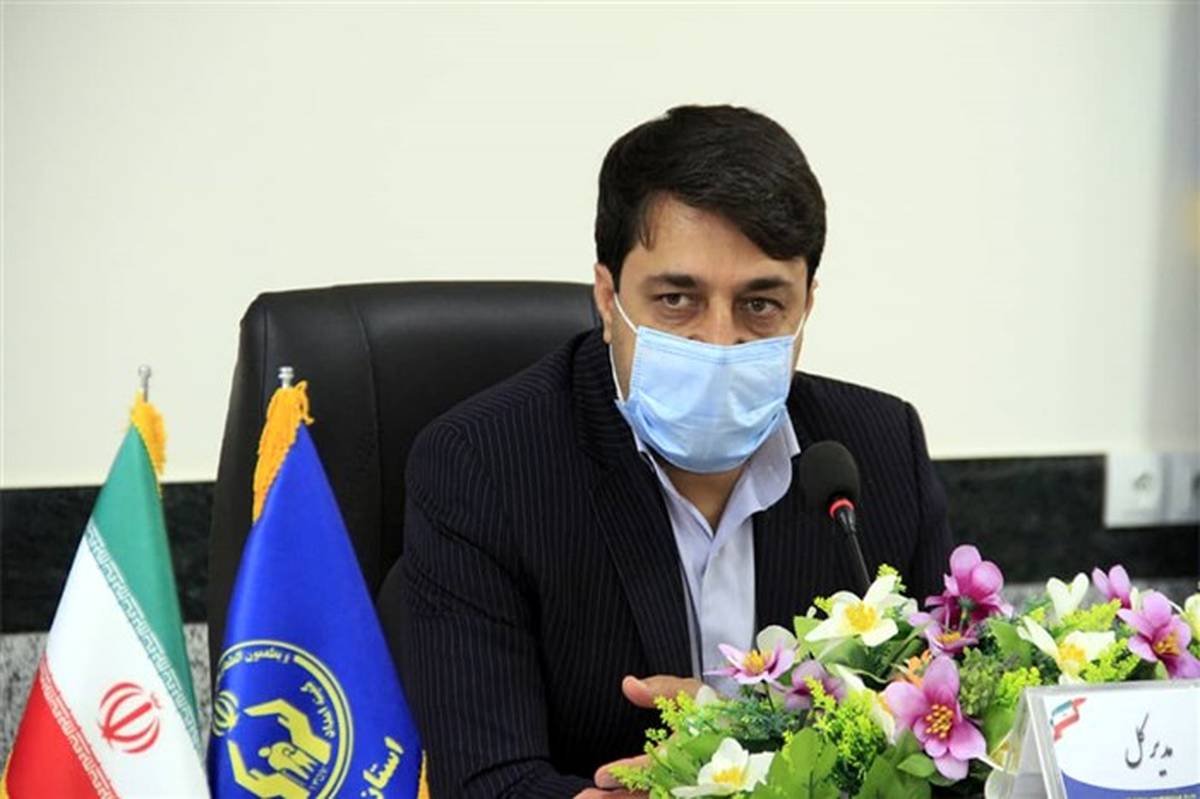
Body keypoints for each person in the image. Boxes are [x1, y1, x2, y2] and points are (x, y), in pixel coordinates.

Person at [381, 104, 953, 798]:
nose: (719, 340)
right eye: (677, 299)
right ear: (607, 297)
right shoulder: (484, 464)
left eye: (761, 304)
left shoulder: (878, 450)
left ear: (806, 304)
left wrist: (744, 740)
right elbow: (488, 781)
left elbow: (939, 739)